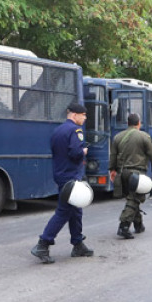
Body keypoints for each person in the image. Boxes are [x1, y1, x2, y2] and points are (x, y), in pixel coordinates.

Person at [31, 103, 94, 263]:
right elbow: (74, 153)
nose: (85, 118)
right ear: (74, 115)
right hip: (71, 176)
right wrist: (83, 152)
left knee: (75, 209)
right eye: (84, 115)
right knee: (64, 211)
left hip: (61, 175)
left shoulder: (58, 130)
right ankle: (43, 243)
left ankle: (78, 243)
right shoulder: (75, 130)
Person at [110, 113, 152, 238]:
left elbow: (113, 155)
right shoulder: (144, 136)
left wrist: (112, 170)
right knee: (135, 198)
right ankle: (123, 226)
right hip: (137, 173)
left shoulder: (118, 137)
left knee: (132, 197)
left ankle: (138, 225)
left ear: (128, 123)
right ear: (138, 123)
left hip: (122, 173)